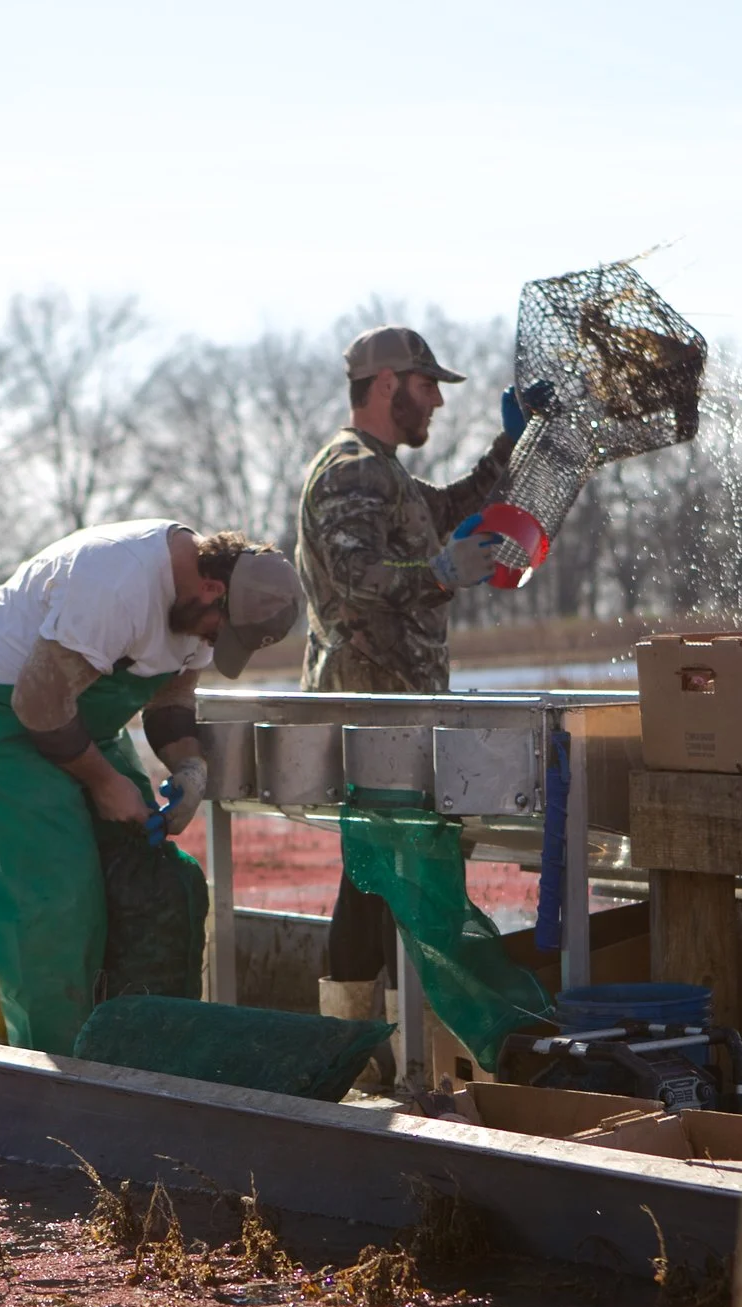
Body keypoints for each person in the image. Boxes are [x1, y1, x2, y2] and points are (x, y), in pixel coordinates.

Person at [0, 519, 300, 1052]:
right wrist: (106, 783)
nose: (211, 643)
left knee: (146, 873)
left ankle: (131, 1053)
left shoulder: (197, 609)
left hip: (75, 721)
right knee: (53, 900)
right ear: (212, 588)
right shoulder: (118, 581)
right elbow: (37, 702)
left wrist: (190, 768)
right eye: (219, 632)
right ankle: (53, 1067)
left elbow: (172, 701)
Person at [294, 324, 543, 1028]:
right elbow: (354, 575)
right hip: (375, 715)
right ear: (386, 385)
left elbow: (452, 509)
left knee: (377, 883)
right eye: (427, 384)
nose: (436, 399)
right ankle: (388, 1046)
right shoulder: (352, 469)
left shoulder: (383, 471)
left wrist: (510, 447)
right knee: (389, 881)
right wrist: (439, 574)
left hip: (393, 714)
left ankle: (371, 1045)